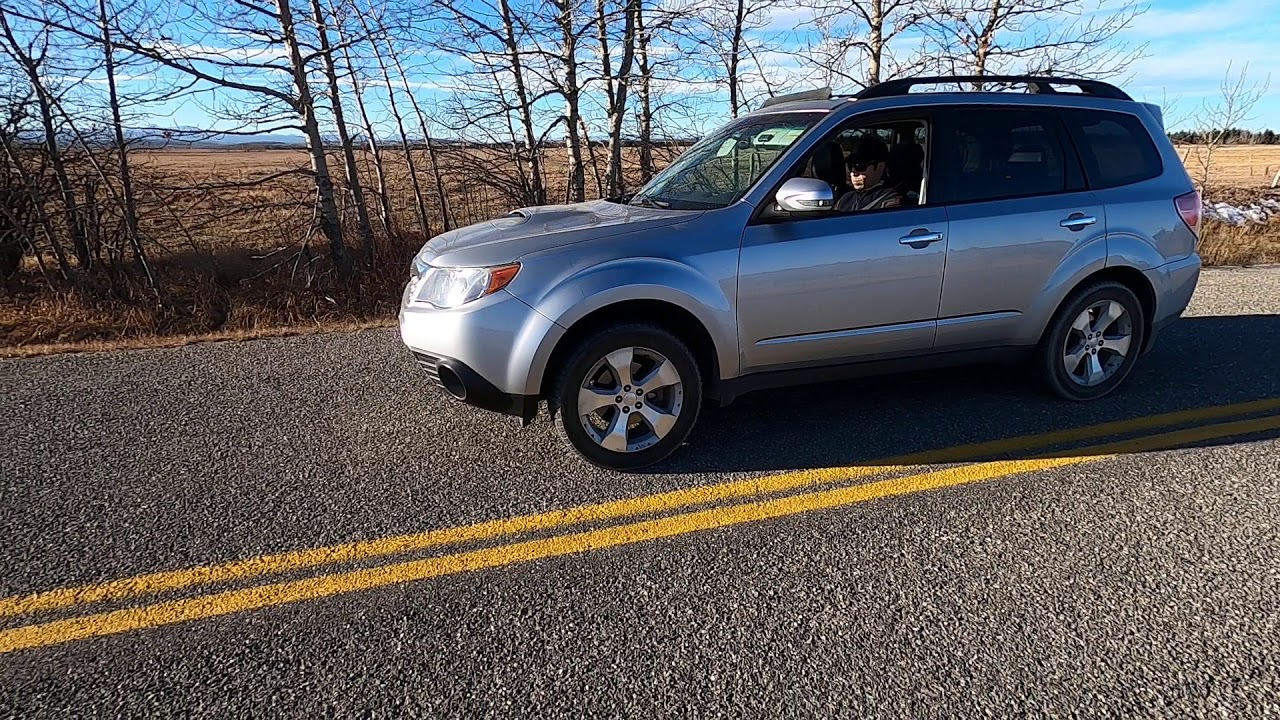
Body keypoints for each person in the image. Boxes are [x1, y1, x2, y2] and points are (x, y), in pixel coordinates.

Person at [834, 135, 903, 212]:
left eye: (860, 167)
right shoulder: (845, 200)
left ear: (880, 167)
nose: (853, 173)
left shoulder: (891, 200)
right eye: (850, 166)